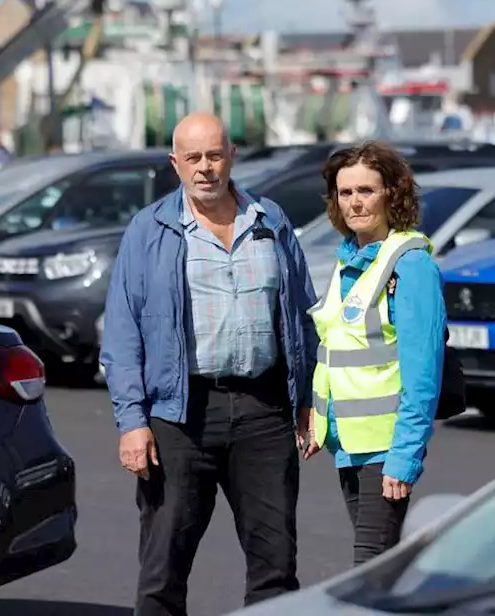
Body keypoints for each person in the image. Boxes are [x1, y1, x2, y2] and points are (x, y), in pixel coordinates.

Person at [100, 112, 318, 615]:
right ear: (174, 163)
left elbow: (304, 316)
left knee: (276, 565)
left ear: (232, 156)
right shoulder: (148, 230)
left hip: (264, 411)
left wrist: (305, 398)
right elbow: (122, 331)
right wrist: (132, 422)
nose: (205, 168)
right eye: (193, 158)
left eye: (214, 155)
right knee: (163, 568)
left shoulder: (270, 220)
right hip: (180, 415)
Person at [306, 140, 448, 565]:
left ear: (392, 193)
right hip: (349, 445)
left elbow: (423, 377)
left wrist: (404, 457)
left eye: (366, 190)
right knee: (383, 572)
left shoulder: (410, 266)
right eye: (345, 193)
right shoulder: (350, 260)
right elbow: (338, 352)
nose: (355, 202)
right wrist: (319, 422)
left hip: (385, 450)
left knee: (369, 571)